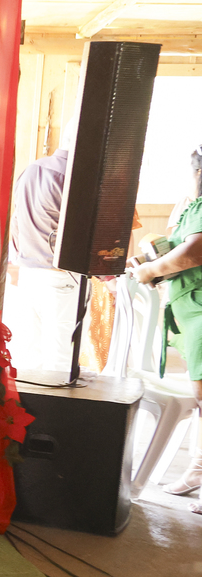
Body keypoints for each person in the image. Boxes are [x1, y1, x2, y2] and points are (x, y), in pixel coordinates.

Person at [128, 145, 202, 506]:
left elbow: (193, 252)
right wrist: (150, 259)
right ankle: (198, 469)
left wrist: (150, 270)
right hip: (190, 311)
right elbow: (177, 246)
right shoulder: (190, 204)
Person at [0, 118, 80, 375]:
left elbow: (15, 220)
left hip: (28, 272)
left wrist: (18, 258)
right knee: (61, 357)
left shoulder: (31, 169)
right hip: (60, 274)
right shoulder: (76, 177)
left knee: (28, 355)